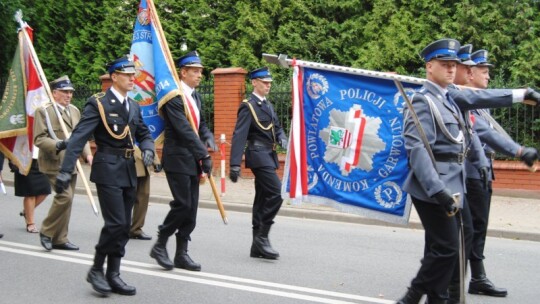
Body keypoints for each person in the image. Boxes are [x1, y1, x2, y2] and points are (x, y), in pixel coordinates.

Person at [397, 38, 540, 304]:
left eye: (454, 64)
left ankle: (437, 298)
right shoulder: (422, 101)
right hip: (434, 186)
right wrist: (437, 190)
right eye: (445, 64)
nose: (452, 69)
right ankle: (412, 297)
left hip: (455, 184)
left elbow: (483, 99)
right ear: (430, 66)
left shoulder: (451, 96)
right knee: (447, 248)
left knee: (451, 246)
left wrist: (522, 94)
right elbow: (417, 151)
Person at [55, 55, 155, 296]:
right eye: (128, 74)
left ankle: (114, 273)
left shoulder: (132, 105)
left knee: (123, 227)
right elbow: (79, 136)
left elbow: (144, 132)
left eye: (134, 75)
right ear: (114, 77)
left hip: (129, 170)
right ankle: (97, 268)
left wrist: (150, 149)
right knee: (116, 223)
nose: (133, 78)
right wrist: (66, 170)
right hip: (108, 169)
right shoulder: (98, 103)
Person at [463, 49, 537, 297]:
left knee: (477, 227)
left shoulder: (480, 103)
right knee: (467, 229)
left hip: (484, 169)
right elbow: (480, 133)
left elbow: (490, 133)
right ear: (469, 73)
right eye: (484, 72)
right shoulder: (465, 100)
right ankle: (451, 282)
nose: (488, 77)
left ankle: (475, 278)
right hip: (470, 170)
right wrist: (518, 151)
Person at [150, 50, 215, 272]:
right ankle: (160, 243)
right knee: (183, 204)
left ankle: (181, 253)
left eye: (200, 72)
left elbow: (200, 125)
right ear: (183, 72)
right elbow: (184, 130)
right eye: (195, 71)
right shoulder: (173, 96)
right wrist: (203, 154)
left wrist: (208, 138)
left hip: (192, 159)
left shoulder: (195, 96)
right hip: (178, 157)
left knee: (192, 209)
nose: (199, 76)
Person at [229, 67, 288, 260]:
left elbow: (277, 128)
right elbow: (239, 134)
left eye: (270, 82)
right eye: (264, 82)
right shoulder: (248, 105)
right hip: (257, 154)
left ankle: (257, 246)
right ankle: (262, 237)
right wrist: (235, 164)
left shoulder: (268, 105)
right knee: (277, 193)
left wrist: (283, 139)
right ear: (254, 82)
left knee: (263, 198)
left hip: (269, 155)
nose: (268, 85)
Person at [33, 75, 93, 251]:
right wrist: (58, 144)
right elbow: (39, 139)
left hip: (71, 163)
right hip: (54, 162)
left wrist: (87, 154)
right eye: (65, 92)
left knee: (68, 200)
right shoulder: (44, 111)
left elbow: (82, 135)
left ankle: (60, 238)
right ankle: (46, 231)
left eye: (70, 92)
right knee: (64, 196)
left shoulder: (74, 110)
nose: (69, 95)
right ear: (54, 93)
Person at [10, 146, 50, 233]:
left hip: (41, 160)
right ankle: (30, 223)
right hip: (24, 159)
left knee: (46, 189)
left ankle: (26, 212)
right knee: (30, 193)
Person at [129, 146, 162, 240]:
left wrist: (156, 161)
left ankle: (136, 229)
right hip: (126, 162)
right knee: (125, 198)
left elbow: (147, 139)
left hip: (143, 161)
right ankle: (118, 228)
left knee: (143, 196)